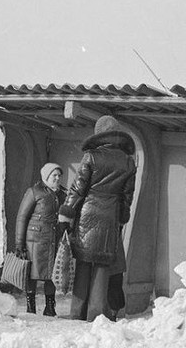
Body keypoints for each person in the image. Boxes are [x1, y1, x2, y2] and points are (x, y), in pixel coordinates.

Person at [58, 115, 136, 322]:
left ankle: (77, 312)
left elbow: (78, 189)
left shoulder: (91, 156)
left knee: (83, 263)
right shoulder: (128, 162)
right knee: (102, 266)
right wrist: (122, 218)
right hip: (110, 217)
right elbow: (127, 196)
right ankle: (97, 314)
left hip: (87, 214)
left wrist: (66, 213)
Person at [14, 162, 67, 316]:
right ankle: (30, 305)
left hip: (54, 239)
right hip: (35, 240)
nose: (57, 178)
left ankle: (50, 306)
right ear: (46, 177)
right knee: (32, 273)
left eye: (59, 176)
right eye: (54, 175)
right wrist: (19, 243)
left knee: (52, 273)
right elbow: (22, 217)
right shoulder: (34, 192)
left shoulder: (63, 194)